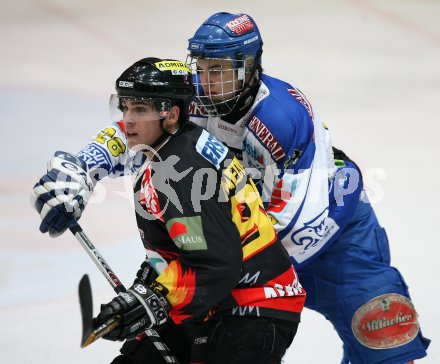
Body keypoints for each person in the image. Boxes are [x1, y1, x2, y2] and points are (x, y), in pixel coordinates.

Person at [185, 12, 430, 364]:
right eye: (202, 68)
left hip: (335, 241)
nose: (206, 81)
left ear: (248, 66)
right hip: (257, 240)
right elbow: (138, 121)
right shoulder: (191, 95)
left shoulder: (277, 118)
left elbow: (295, 219)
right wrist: (84, 168)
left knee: (383, 335)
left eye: (218, 70)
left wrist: (218, 263)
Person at [30, 57, 306, 364]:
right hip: (216, 294)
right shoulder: (176, 146)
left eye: (140, 109)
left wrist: (152, 299)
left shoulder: (179, 170)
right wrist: (146, 292)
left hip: (251, 305)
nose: (127, 120)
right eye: (124, 107)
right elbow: (191, 249)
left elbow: (215, 263)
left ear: (171, 114)